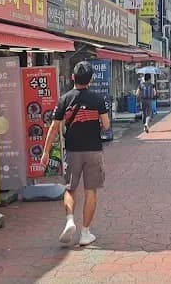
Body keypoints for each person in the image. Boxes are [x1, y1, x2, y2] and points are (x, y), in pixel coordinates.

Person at [41, 61, 110, 246]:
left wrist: (46, 152)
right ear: (91, 79)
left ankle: (70, 220)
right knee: (91, 191)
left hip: (72, 151)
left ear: (73, 77)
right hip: (94, 150)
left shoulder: (65, 99)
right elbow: (106, 125)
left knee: (70, 189)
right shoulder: (98, 99)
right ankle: (85, 233)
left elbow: (54, 128)